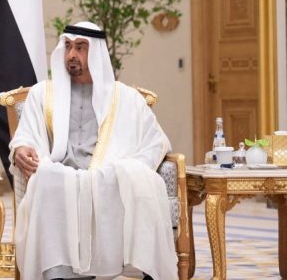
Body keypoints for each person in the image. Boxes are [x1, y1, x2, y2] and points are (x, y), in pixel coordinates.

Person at [10, 22, 176, 280]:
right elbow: (26, 135)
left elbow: (156, 141)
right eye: (67, 47)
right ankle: (58, 273)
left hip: (107, 177)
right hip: (59, 175)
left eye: (80, 48)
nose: (71, 55)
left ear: (97, 52)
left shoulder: (125, 97)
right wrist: (21, 149)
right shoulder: (44, 93)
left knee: (120, 182)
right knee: (47, 181)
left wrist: (132, 169)